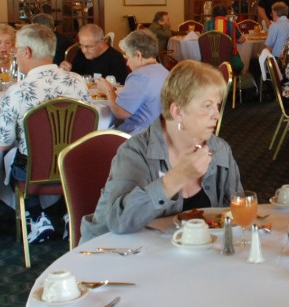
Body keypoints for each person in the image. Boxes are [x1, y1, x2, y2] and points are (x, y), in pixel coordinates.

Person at [80, 61, 243, 237]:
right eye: (207, 105)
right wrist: (175, 178)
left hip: (186, 254)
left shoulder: (219, 150)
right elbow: (118, 221)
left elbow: (236, 212)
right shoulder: (135, 152)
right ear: (177, 111)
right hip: (119, 254)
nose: (217, 114)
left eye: (217, 105)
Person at [0, 24, 90, 244]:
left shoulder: (17, 92)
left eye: (16, 49)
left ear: (26, 52)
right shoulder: (78, 82)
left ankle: (36, 217)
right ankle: (69, 214)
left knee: (13, 157)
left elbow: (1, 143)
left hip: (33, 170)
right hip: (74, 165)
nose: (15, 53)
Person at [95, 30, 169, 135]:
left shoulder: (139, 76)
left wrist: (108, 90)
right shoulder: (164, 71)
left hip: (139, 136)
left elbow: (120, 112)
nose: (128, 63)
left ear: (138, 55)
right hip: (161, 132)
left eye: (128, 57)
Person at [61, 23, 129, 83]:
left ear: (102, 43)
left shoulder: (116, 58)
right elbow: (74, 76)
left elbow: (118, 87)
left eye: (88, 46)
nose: (83, 50)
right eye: (81, 45)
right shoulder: (81, 54)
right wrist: (65, 71)